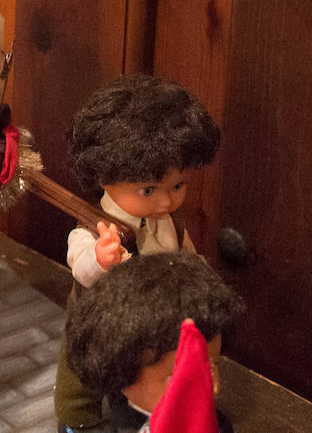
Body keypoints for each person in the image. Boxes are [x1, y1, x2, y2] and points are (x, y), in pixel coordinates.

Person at [56, 74, 223, 432]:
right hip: (100, 312)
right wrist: (100, 258)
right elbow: (80, 268)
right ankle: (77, 423)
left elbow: (186, 256)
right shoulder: (93, 227)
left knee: (147, 367)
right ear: (103, 175)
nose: (167, 201)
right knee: (82, 371)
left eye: (178, 186)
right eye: (149, 190)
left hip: (153, 315)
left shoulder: (169, 223)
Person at [64, 252, 241, 433]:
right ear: (122, 375)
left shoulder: (217, 424)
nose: (211, 385)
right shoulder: (123, 426)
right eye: (176, 378)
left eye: (213, 365)